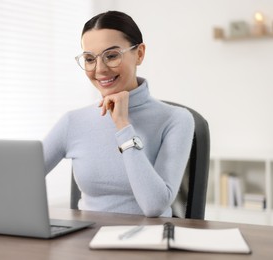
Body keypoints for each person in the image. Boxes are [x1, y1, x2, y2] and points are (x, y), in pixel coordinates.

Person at [42, 10, 194, 217]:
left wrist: (123, 126)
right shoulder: (72, 121)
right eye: (89, 59)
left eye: (111, 56)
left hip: (147, 241)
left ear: (139, 54)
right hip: (85, 241)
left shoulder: (176, 119)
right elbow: (19, 181)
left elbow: (154, 206)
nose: (100, 69)